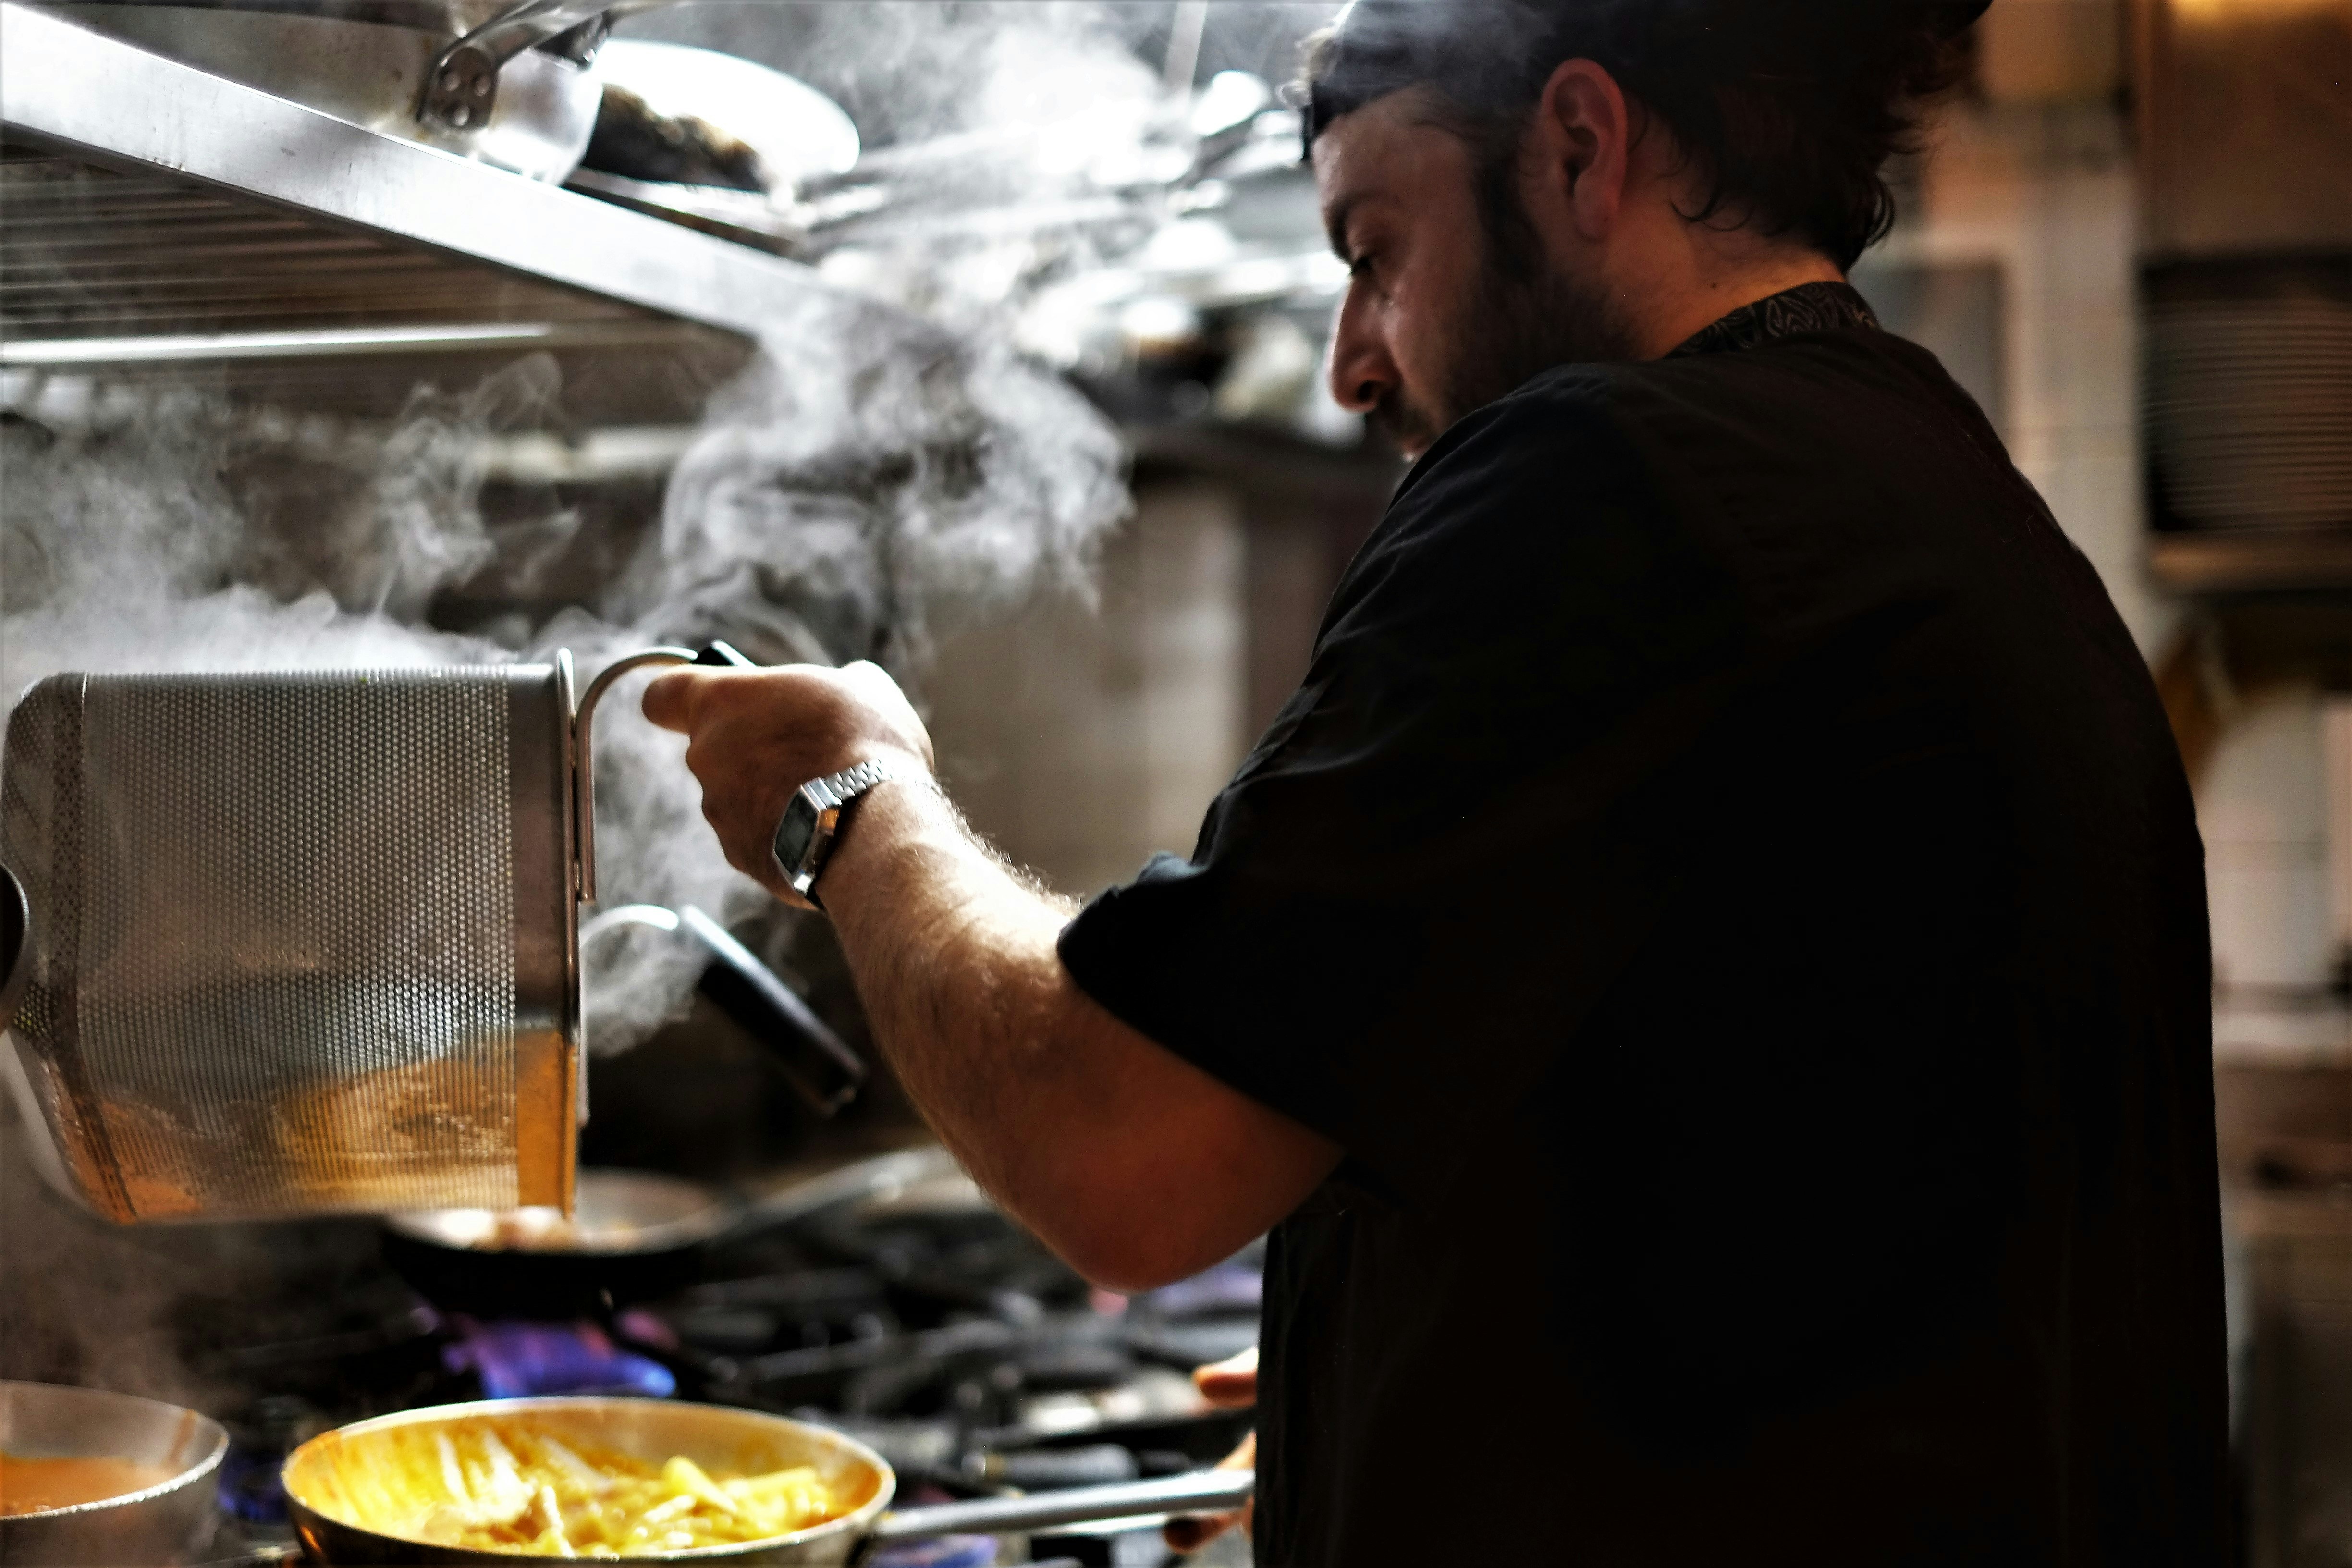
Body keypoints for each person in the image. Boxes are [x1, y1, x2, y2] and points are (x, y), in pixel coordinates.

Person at [643, 0, 2230, 1561]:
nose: (1354, 366)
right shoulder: (1943, 501)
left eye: (1374, 252)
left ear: (1582, 144)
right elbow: (1826, 1189)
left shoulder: (1616, 480)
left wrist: (852, 799)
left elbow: (1117, 1152)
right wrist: (1419, 1386)